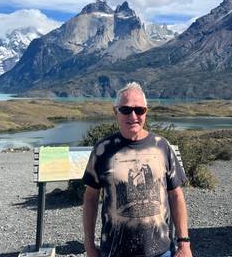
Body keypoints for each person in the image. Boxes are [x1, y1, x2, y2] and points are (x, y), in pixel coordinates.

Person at [82, 82, 193, 257]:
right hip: (114, 251)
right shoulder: (102, 149)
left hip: (160, 251)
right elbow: (90, 198)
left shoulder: (162, 146)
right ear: (115, 111)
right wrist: (89, 245)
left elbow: (176, 195)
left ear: (146, 112)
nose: (133, 116)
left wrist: (184, 242)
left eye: (139, 110)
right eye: (126, 110)